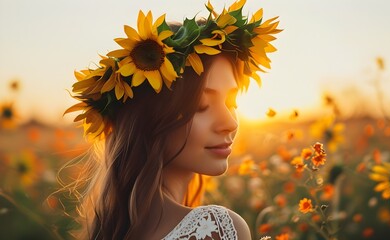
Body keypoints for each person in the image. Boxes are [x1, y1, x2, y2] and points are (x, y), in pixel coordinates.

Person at [64, 0, 280, 239]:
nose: (230, 123)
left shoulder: (107, 231)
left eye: (232, 103)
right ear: (149, 120)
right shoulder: (214, 229)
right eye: (201, 105)